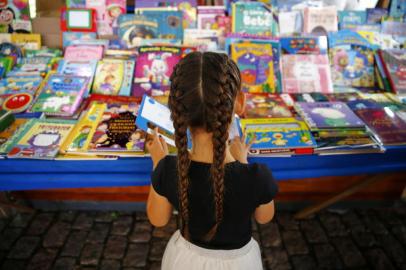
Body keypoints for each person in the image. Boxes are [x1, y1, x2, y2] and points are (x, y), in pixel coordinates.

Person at [146, 52, 278, 270]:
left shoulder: (168, 169)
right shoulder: (257, 176)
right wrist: (243, 161)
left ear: (176, 109)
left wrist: (158, 162)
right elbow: (265, 217)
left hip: (184, 261)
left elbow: (158, 219)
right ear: (240, 103)